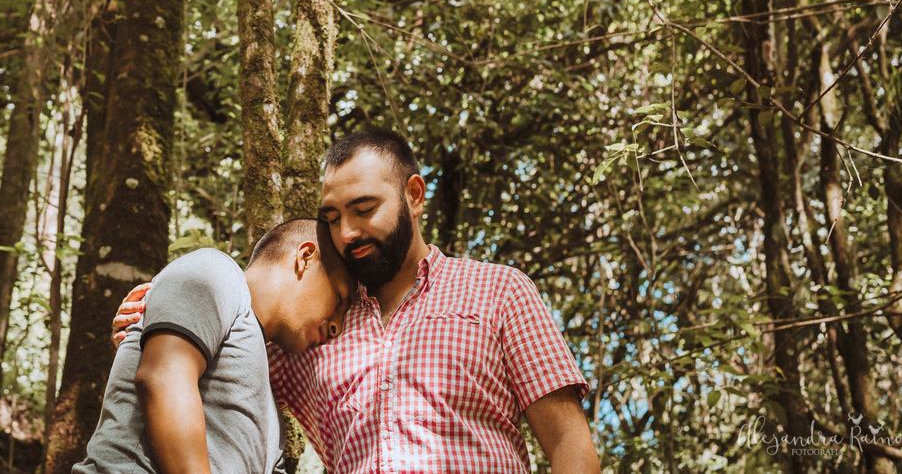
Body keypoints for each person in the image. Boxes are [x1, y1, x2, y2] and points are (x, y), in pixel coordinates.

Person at [114, 128, 600, 474]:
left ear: (414, 195)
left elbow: (570, 443)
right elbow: (208, 355)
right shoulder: (312, 327)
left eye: (364, 209)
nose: (347, 232)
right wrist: (148, 318)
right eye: (331, 217)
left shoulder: (500, 292)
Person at [79, 218, 353, 474]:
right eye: (340, 300)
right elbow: (162, 379)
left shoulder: (272, 422)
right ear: (305, 257)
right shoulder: (215, 271)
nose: (336, 327)